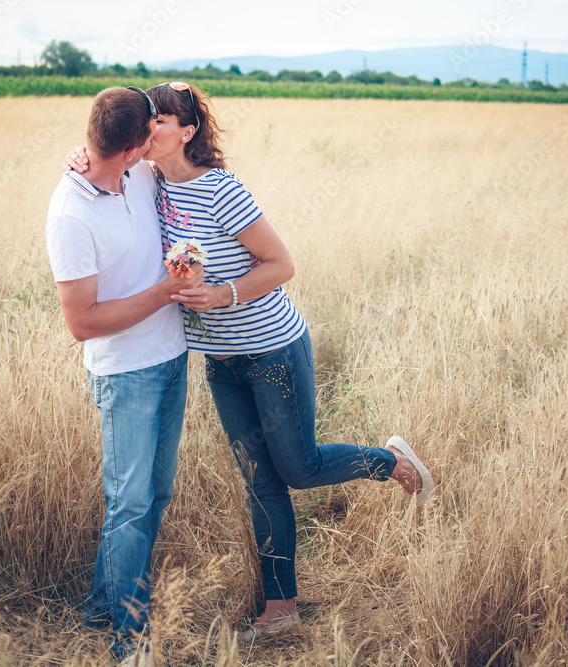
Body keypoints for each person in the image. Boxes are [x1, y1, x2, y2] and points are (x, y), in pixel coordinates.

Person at [63, 81, 434, 644]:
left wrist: (222, 295)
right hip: (220, 362)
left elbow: (281, 264)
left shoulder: (221, 190)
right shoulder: (147, 178)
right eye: (147, 123)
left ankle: (387, 462)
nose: (149, 130)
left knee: (298, 467)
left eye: (160, 121)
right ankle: (280, 608)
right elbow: (105, 149)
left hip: (271, 352)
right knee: (261, 480)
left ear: (186, 133)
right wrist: (79, 155)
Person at [46, 85, 202, 664]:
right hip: (125, 376)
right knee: (130, 504)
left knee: (152, 496)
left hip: (171, 358)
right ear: (134, 148)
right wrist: (164, 293)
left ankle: (99, 605)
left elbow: (170, 111)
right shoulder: (70, 215)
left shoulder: (138, 173)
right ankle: (128, 641)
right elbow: (82, 323)